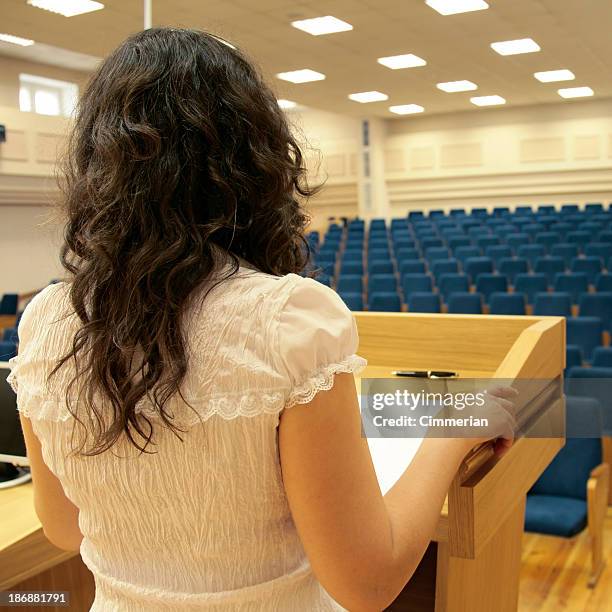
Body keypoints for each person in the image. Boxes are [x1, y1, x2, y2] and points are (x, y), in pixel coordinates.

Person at [9, 28, 515, 611]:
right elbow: (367, 584)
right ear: (255, 163)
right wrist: (447, 435)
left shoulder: (45, 319)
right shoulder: (288, 320)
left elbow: (66, 529)